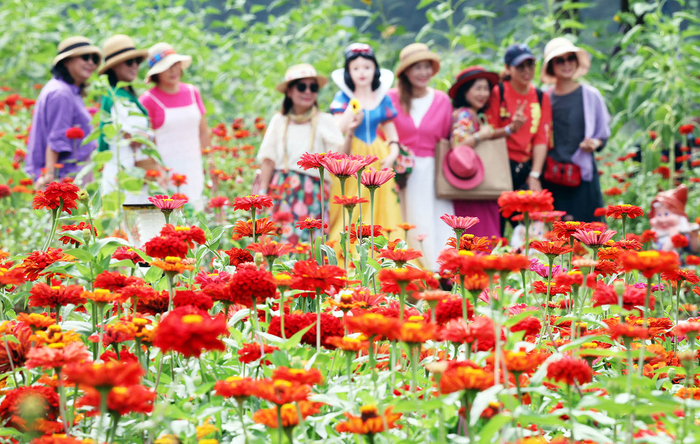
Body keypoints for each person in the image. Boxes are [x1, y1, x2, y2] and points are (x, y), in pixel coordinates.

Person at [254, 64, 346, 244]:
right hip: (282, 189)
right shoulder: (279, 121)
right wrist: (263, 192)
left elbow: (339, 156)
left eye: (313, 87)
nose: (308, 92)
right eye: (301, 87)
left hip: (314, 191)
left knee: (312, 243)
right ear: (289, 91)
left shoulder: (325, 120)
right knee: (278, 241)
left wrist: (349, 132)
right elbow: (268, 159)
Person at [328, 43, 406, 250]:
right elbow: (337, 130)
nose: (361, 72)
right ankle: (351, 250)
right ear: (348, 72)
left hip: (379, 156)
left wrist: (393, 154)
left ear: (375, 70)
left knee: (383, 203)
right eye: (355, 68)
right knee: (354, 202)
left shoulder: (383, 99)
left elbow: (392, 134)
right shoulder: (342, 98)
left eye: (366, 67)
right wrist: (351, 111)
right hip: (352, 155)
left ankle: (384, 249)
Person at [387, 43, 453, 267]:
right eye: (417, 67)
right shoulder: (391, 99)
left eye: (427, 67)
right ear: (405, 71)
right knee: (408, 220)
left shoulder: (442, 100)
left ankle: (441, 271)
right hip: (400, 172)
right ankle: (411, 270)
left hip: (433, 170)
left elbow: (447, 137)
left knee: (435, 219)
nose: (423, 73)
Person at [540, 37, 611, 222]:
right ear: (551, 66)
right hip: (552, 176)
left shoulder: (590, 95)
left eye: (570, 58)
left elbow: (602, 135)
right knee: (557, 240)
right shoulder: (544, 97)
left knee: (590, 234)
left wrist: (594, 143)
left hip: (582, 176)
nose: (566, 64)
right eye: (560, 60)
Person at [485, 43, 552, 231]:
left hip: (526, 168)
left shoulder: (540, 97)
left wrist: (535, 175)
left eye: (530, 65)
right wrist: (511, 128)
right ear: (508, 68)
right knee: (496, 227)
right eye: (520, 66)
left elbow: (541, 138)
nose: (526, 70)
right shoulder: (498, 93)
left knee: (529, 229)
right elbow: (490, 132)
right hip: (499, 166)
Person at [139, 43, 209, 211]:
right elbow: (145, 143)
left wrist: (210, 162)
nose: (173, 70)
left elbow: (203, 132)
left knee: (196, 214)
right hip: (166, 171)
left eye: (175, 65)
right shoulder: (148, 100)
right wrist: (156, 171)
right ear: (156, 73)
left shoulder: (193, 92)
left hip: (194, 165)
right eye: (167, 67)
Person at [26, 36, 102, 186]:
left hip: (71, 176)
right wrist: (49, 177)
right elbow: (57, 137)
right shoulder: (61, 93)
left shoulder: (68, 90)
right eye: (85, 57)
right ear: (66, 61)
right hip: (64, 179)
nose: (91, 63)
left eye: (94, 59)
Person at [97, 35, 159, 203]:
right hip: (122, 173)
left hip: (133, 173)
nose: (135, 66)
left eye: (137, 61)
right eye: (129, 62)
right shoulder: (115, 97)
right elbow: (131, 138)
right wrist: (150, 137)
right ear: (114, 66)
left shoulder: (126, 96)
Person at [448, 66, 504, 238]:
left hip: (474, 186)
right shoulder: (465, 115)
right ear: (465, 91)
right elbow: (458, 146)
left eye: (486, 88)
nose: (483, 93)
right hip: (472, 188)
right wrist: (481, 135)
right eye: (477, 88)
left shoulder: (474, 114)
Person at [649, 185, 700, 253]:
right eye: (659, 215)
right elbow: (661, 255)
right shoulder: (657, 238)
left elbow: (695, 250)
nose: (662, 220)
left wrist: (694, 236)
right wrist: (672, 239)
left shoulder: (682, 234)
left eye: (666, 214)